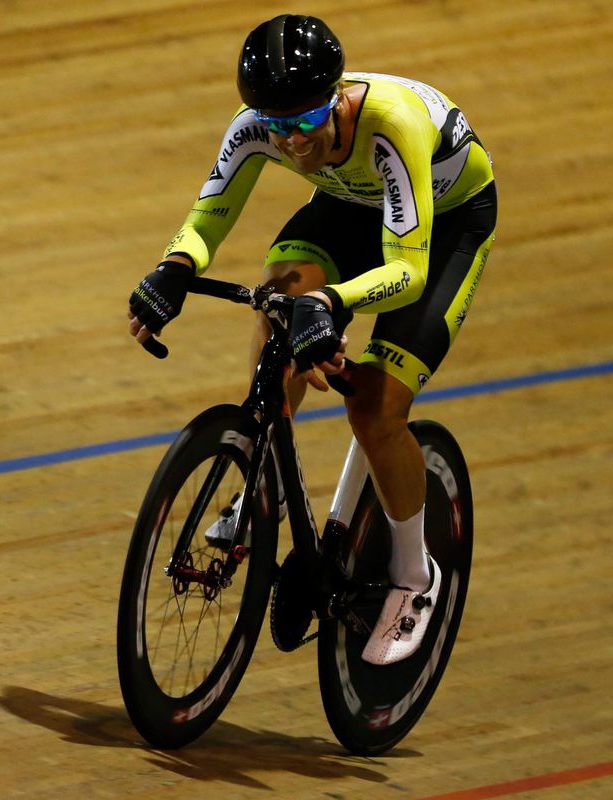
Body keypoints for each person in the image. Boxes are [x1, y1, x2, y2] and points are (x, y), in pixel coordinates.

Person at [126, 14, 496, 665]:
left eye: (305, 123)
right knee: (278, 299)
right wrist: (172, 272)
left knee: (374, 410)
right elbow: (206, 220)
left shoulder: (393, 126)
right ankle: (259, 468)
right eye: (276, 127)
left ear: (338, 98)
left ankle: (415, 577)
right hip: (350, 208)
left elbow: (407, 272)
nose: (292, 143)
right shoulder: (259, 127)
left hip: (443, 230)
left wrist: (332, 303)